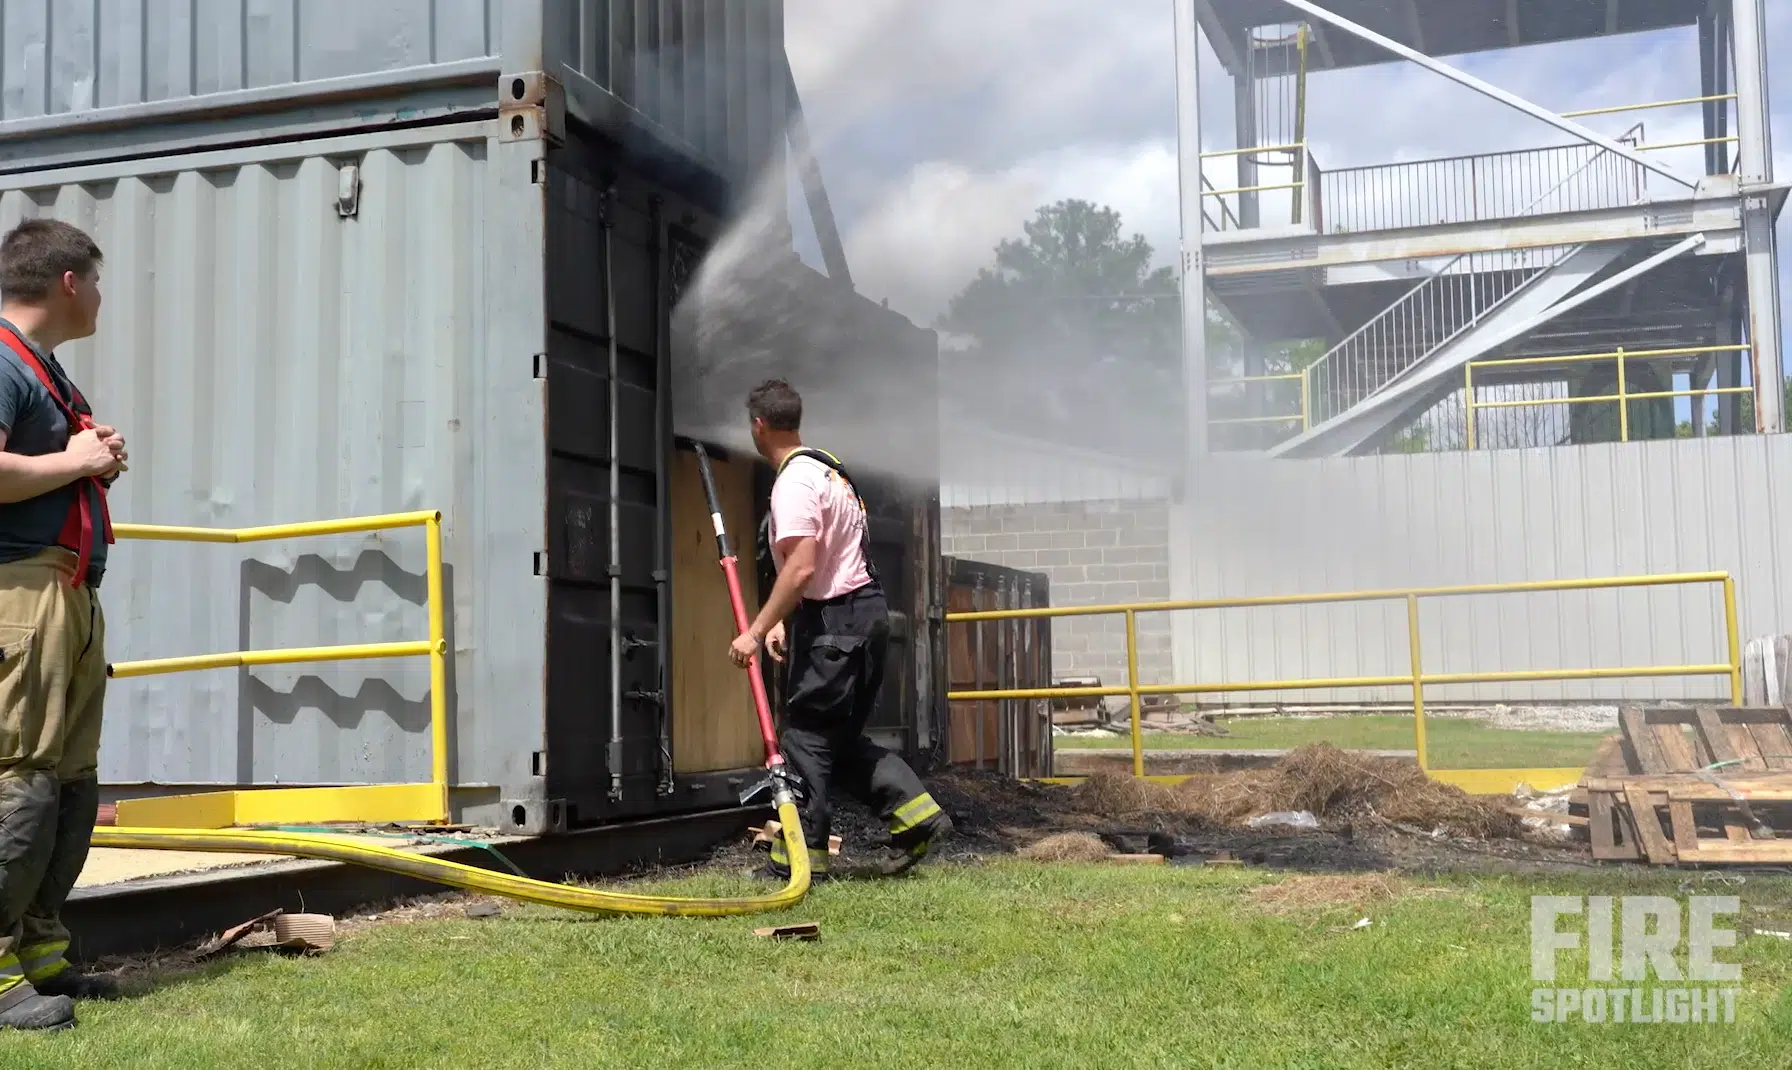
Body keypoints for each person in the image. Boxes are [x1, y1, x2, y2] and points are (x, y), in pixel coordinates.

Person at [729, 379, 949, 880]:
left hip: (836, 623)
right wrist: (786, 618)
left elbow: (803, 567)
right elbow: (824, 560)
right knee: (840, 741)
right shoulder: (830, 471)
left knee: (805, 738)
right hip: (861, 616)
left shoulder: (794, 483)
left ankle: (800, 861)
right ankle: (917, 820)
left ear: (758, 427)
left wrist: (757, 630)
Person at [0, 219, 128, 1032]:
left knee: (68, 787)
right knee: (19, 779)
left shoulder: (41, 368)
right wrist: (75, 462)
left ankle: (43, 957)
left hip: (69, 593)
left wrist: (89, 449)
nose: (103, 298)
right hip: (21, 595)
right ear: (69, 282)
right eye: (98, 282)